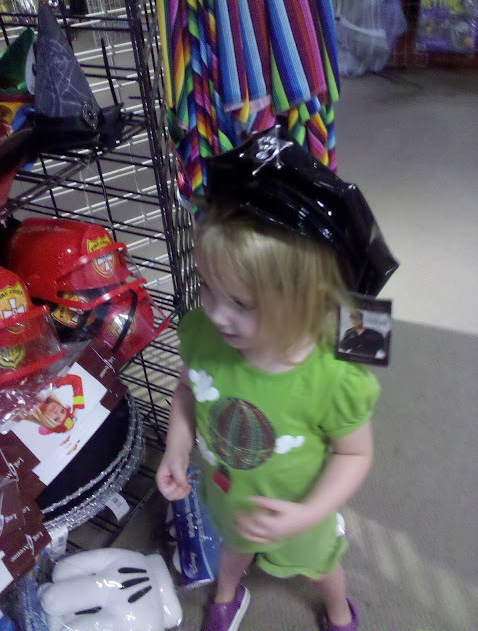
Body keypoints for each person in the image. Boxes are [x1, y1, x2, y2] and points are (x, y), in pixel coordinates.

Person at [156, 131, 393, 631]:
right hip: (230, 495)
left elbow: (355, 454)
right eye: (206, 287)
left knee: (322, 567)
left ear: (307, 300)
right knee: (233, 548)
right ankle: (228, 591)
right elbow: (187, 389)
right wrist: (177, 447)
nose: (215, 313)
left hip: (300, 509)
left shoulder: (332, 377)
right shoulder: (203, 336)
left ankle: (338, 611)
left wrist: (308, 514)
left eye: (242, 303)